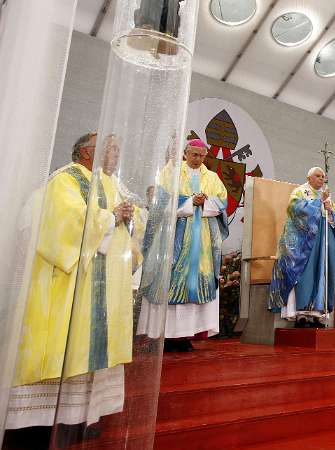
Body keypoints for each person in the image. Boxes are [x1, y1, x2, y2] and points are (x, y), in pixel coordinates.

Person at [6, 133, 137, 438]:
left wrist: (128, 217)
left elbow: (131, 221)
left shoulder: (109, 183)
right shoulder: (66, 178)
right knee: (62, 348)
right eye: (110, 148)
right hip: (70, 287)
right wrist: (110, 217)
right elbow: (65, 222)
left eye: (117, 148)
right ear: (85, 152)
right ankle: (37, 427)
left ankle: (82, 417)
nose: (116, 153)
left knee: (88, 352)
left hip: (102, 286)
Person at [138, 139, 229, 351]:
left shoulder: (212, 177)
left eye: (202, 156)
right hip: (175, 239)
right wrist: (190, 202)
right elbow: (161, 201)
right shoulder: (172, 173)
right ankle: (167, 336)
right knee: (171, 283)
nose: (197, 159)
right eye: (194, 155)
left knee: (196, 285)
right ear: (186, 153)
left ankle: (187, 335)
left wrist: (205, 201)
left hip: (203, 242)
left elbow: (222, 202)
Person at [268, 167, 335, 328]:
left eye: (323, 176)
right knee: (305, 275)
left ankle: (317, 313)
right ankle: (300, 313)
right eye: (318, 176)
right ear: (308, 178)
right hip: (305, 243)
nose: (321, 178)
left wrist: (330, 211)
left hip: (323, 241)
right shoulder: (300, 192)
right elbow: (294, 210)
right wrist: (318, 203)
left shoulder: (327, 197)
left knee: (321, 273)